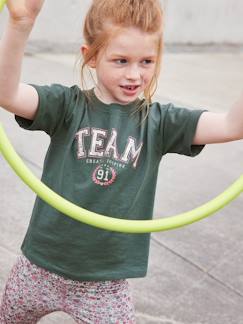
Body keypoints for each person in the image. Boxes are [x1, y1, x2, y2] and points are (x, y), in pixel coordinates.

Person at [0, 0, 243, 323]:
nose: (134, 74)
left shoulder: (161, 122)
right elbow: (7, 94)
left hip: (104, 284)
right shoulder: (67, 106)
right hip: (39, 266)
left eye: (146, 61)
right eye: (120, 61)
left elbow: (231, 125)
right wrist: (21, 26)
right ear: (90, 56)